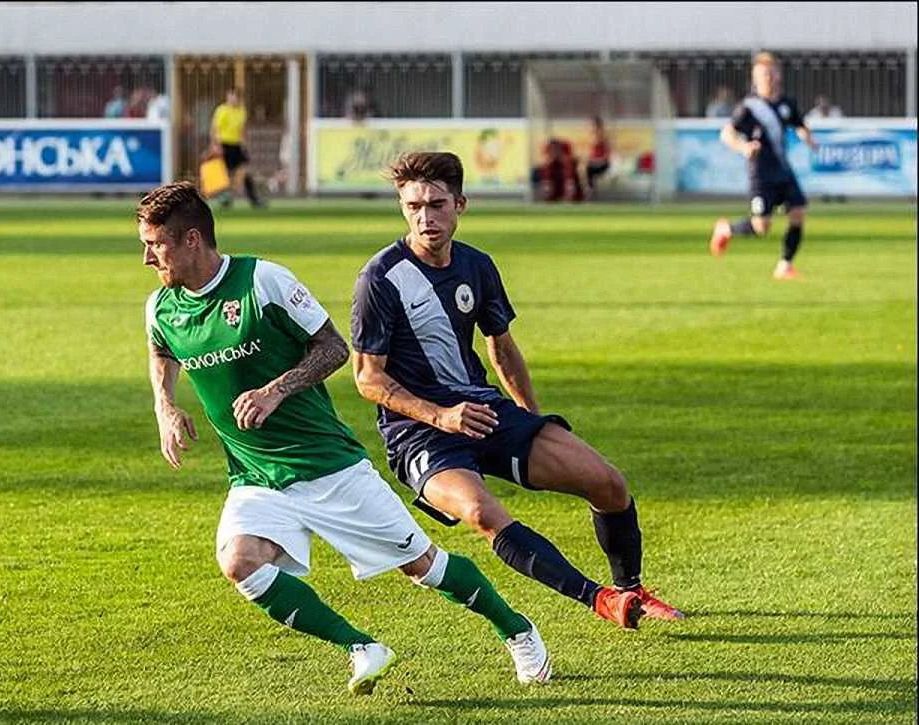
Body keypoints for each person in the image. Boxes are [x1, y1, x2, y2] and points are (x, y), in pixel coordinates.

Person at [141, 181, 552, 695]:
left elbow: (334, 348)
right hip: (256, 476)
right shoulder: (162, 306)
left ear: (191, 240)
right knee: (239, 563)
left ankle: (516, 628)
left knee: (423, 566)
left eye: (154, 244)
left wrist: (275, 390)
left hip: (329, 467)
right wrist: (165, 406)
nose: (145, 257)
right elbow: (161, 351)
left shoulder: (262, 281)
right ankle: (363, 648)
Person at [351, 152, 685, 632]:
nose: (425, 218)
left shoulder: (477, 266)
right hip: (420, 435)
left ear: (460, 204)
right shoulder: (379, 278)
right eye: (413, 206)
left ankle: (631, 589)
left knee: (608, 483)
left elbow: (502, 349)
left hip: (486, 412)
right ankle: (600, 599)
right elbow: (368, 379)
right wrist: (441, 417)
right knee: (483, 513)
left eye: (436, 204)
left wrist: (531, 422)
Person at [709, 53, 819, 281]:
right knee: (762, 227)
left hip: (783, 170)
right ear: (755, 77)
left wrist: (808, 138)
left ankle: (785, 265)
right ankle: (726, 229)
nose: (769, 77)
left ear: (778, 74)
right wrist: (743, 147)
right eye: (763, 74)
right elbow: (727, 133)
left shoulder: (787, 103)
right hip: (760, 175)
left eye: (772, 72)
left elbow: (799, 124)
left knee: (798, 212)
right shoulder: (748, 108)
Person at [210, 88, 264, 208]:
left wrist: (244, 145)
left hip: (237, 144)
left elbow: (242, 129)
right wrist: (216, 145)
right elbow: (215, 129)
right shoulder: (222, 110)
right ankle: (225, 198)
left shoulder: (241, 111)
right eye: (230, 96)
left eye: (235, 96)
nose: (232, 99)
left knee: (245, 170)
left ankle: (254, 198)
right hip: (224, 144)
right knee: (226, 173)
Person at [584, 116, 612, 196]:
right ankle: (588, 189)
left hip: (602, 164)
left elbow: (607, 154)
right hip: (594, 163)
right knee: (586, 167)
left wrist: (600, 160)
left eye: (594, 125)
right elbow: (591, 154)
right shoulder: (592, 137)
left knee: (589, 168)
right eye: (592, 125)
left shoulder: (604, 138)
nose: (592, 127)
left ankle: (591, 189)